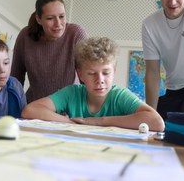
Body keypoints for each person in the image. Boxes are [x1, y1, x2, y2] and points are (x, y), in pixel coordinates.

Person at [22, 37, 164, 131]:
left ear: (114, 72)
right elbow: (30, 110)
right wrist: (73, 123)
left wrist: (98, 121)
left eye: (106, 73)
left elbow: (157, 122)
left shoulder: (119, 96)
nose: (100, 80)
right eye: (91, 73)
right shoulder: (72, 93)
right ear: (80, 74)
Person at [11, 0, 87, 103]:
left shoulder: (76, 34)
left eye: (62, 16)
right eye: (50, 18)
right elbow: (16, 78)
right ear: (38, 19)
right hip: (35, 108)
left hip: (69, 108)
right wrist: (14, 109)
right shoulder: (25, 36)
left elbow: (86, 77)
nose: (58, 24)